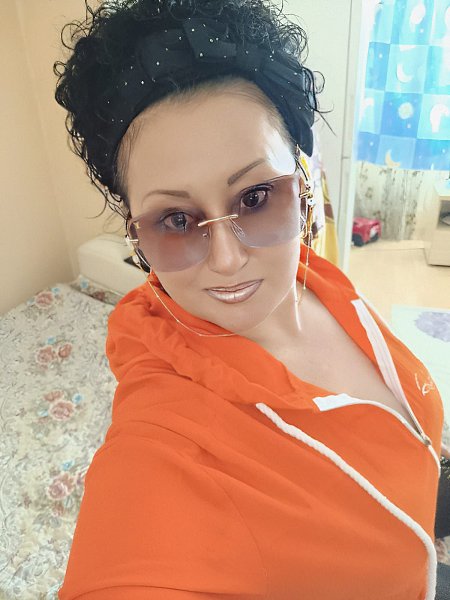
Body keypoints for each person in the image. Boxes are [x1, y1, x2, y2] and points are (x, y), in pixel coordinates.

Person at [53, 1, 447, 598]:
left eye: (256, 197)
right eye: (177, 220)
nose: (228, 260)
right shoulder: (164, 436)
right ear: (135, 231)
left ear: (303, 184)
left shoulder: (315, 277)